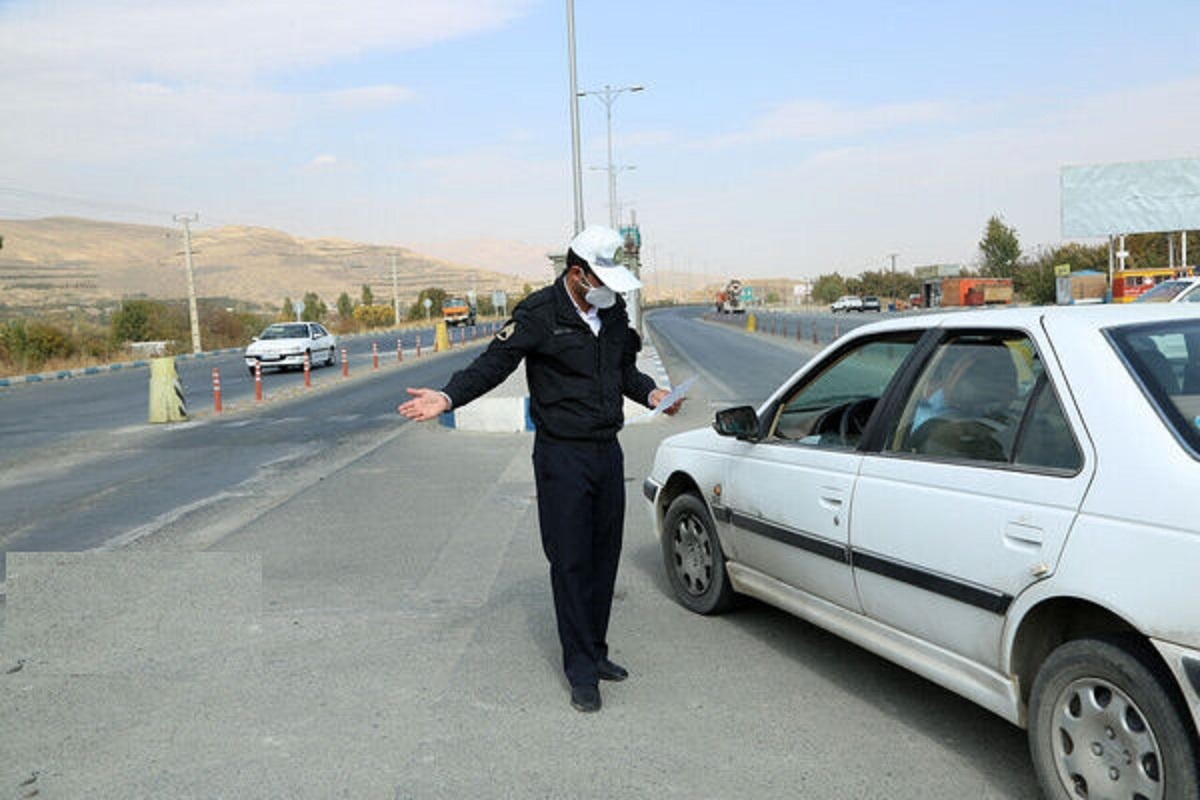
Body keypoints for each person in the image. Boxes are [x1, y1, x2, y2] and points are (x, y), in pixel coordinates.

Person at [397, 225, 682, 713]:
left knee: (603, 557)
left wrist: (652, 393)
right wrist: (447, 396)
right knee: (571, 561)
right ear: (577, 273)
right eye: (602, 278)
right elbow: (493, 364)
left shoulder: (612, 317)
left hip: (606, 453)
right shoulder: (539, 315)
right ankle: (580, 671)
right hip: (562, 455)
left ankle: (597, 650)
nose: (609, 289)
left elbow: (624, 372)